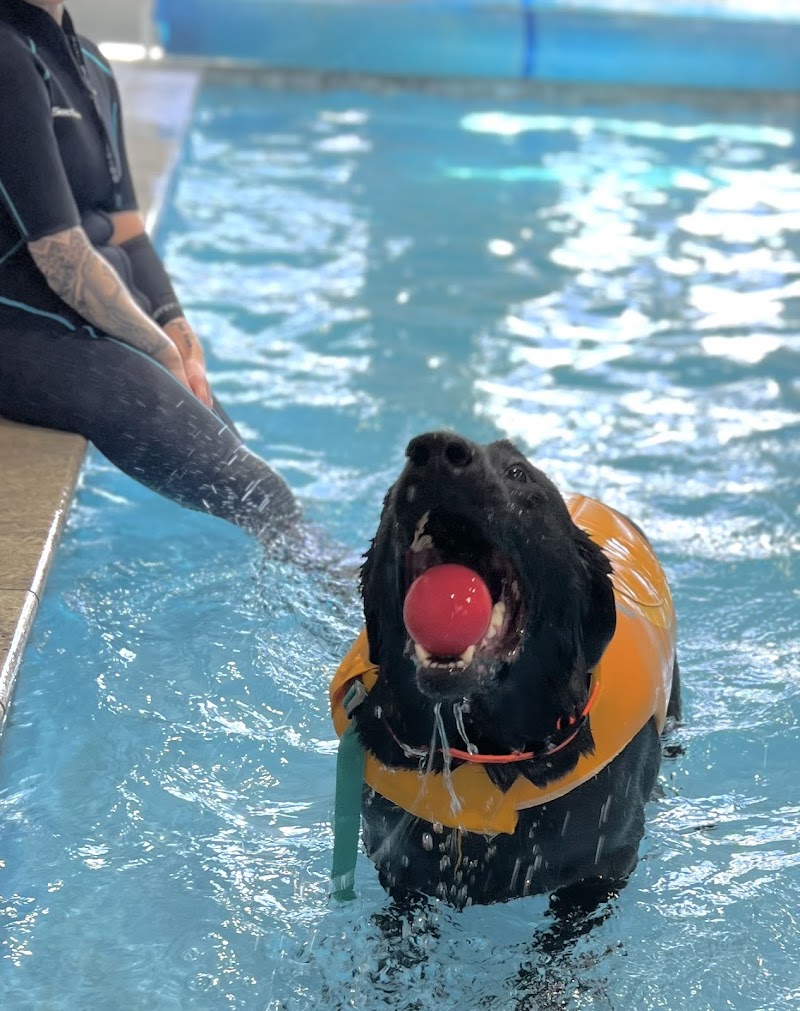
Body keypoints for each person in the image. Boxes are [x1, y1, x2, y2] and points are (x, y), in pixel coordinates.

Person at [0, 0, 300, 541]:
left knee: (254, 484)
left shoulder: (90, 62)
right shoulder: (7, 55)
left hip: (87, 318)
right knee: (262, 498)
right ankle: (358, 610)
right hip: (26, 328)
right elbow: (61, 256)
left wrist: (177, 326)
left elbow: (129, 231)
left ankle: (344, 601)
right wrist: (157, 347)